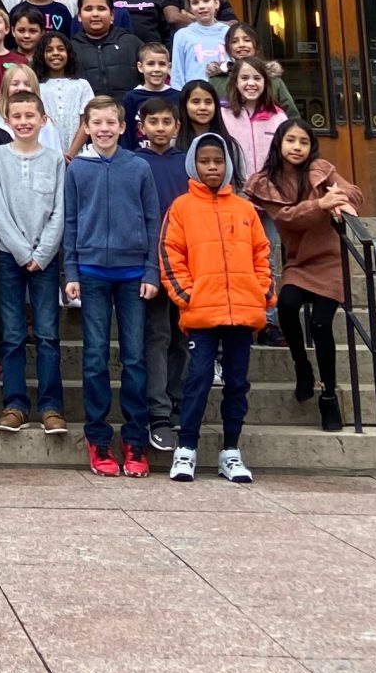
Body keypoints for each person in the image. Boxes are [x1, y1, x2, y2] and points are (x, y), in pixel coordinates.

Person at [162, 132, 271, 484]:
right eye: (205, 161)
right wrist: (187, 295)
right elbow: (170, 255)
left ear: (228, 166)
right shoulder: (181, 207)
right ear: (193, 163)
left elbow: (263, 255)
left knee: (237, 382)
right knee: (196, 378)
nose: (212, 167)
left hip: (243, 309)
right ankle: (186, 449)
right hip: (202, 312)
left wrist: (262, 293)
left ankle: (231, 452)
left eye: (218, 161)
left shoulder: (243, 209)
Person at [249, 119, 366, 434]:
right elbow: (287, 217)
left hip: (330, 260)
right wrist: (320, 204)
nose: (296, 147)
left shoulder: (321, 169)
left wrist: (340, 200)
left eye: (303, 141)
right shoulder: (267, 180)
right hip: (299, 260)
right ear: (279, 143)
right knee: (286, 306)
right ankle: (302, 364)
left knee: (320, 323)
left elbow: (354, 193)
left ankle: (328, 395)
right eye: (290, 140)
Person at [65, 95, 161, 478]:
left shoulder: (138, 167)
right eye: (96, 123)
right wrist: (69, 272)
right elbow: (71, 221)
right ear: (86, 128)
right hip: (90, 272)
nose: (104, 129)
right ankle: (98, 437)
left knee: (135, 358)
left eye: (111, 123)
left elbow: (153, 220)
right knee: (94, 358)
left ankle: (135, 439)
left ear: (123, 127)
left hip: (133, 274)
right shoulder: (78, 170)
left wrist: (152, 271)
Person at [0, 88, 65, 435]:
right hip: (9, 256)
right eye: (16, 117)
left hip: (45, 259)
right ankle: (15, 404)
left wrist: (42, 252)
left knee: (47, 334)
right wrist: (21, 250)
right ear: (7, 120)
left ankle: (51, 407)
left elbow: (61, 210)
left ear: (43, 120)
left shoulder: (55, 159)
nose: (23, 122)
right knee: (13, 333)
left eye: (29, 116)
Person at [133, 94, 192, 444]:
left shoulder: (187, 164)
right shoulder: (136, 162)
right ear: (141, 127)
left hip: (185, 263)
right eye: (153, 122)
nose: (160, 128)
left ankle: (177, 403)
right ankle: (157, 410)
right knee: (157, 336)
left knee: (181, 338)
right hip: (151, 262)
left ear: (176, 126)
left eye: (166, 122)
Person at [217, 57, 291, 186]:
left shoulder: (278, 116)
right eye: (244, 78)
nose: (251, 83)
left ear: (265, 82)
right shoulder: (223, 114)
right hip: (235, 190)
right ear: (235, 82)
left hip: (271, 189)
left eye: (257, 78)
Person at [69, 0, 143, 103]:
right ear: (79, 16)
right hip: (88, 116)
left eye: (101, 8)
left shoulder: (132, 43)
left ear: (112, 15)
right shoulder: (70, 49)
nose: (95, 14)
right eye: (88, 9)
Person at [168, 0, 234, 90]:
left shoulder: (228, 32)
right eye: (195, 3)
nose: (201, 6)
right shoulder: (182, 35)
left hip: (225, 93)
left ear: (216, 3)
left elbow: (236, 65)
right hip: (194, 95)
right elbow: (177, 74)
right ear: (189, 8)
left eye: (206, 0)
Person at [34, 33, 93, 152]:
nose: (55, 53)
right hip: (44, 153)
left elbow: (86, 122)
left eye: (61, 49)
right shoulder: (36, 86)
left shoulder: (81, 85)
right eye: (49, 50)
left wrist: (71, 154)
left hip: (77, 154)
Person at [122, 47, 179, 151]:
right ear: (140, 67)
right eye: (150, 64)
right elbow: (127, 134)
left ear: (169, 67)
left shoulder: (178, 97)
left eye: (162, 64)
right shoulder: (131, 98)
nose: (156, 69)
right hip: (140, 157)